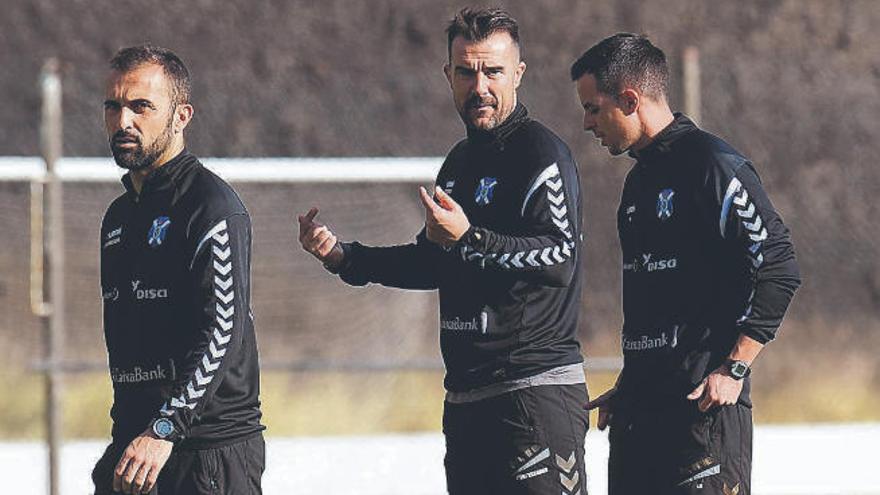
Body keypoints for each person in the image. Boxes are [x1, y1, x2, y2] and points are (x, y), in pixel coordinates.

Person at [298, 7, 588, 495]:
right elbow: (434, 260)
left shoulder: (542, 155)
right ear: (448, 75)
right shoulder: (459, 162)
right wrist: (346, 258)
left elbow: (560, 258)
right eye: (466, 71)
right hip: (467, 399)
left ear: (518, 73)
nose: (480, 86)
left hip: (533, 396)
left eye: (493, 71)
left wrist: (470, 237)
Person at [571, 33, 801, 494]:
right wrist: (634, 378)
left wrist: (734, 367)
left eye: (594, 108)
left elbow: (778, 265)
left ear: (630, 98)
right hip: (639, 417)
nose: (586, 123)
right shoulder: (637, 184)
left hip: (702, 419)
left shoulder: (713, 166)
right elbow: (657, 300)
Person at [92, 45, 264, 494]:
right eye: (114, 106)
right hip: (135, 447)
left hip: (204, 451)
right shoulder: (119, 216)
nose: (123, 121)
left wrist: (165, 427)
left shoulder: (211, 206)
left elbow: (222, 330)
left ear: (182, 116)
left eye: (141, 106)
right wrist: (130, 435)